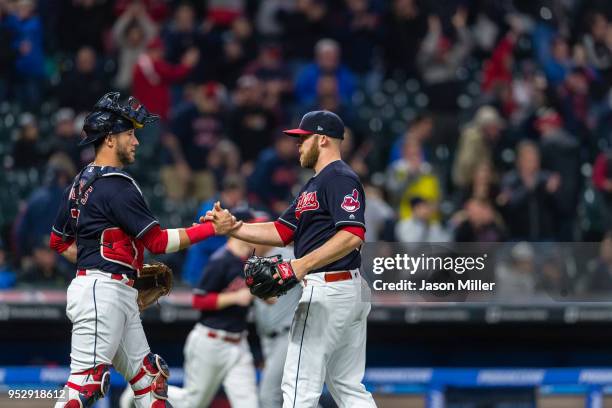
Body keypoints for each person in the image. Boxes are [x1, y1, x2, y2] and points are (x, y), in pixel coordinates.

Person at [49, 92, 238, 408]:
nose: (135, 141)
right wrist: (212, 229)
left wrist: (112, 264)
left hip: (109, 290)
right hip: (102, 292)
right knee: (84, 387)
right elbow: (158, 243)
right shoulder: (118, 186)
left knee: (151, 381)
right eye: (129, 134)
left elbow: (59, 241)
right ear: (109, 139)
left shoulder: (79, 182)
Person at [207, 110, 376, 407]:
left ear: (322, 140)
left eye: (303, 139)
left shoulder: (338, 177)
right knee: (347, 387)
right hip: (340, 288)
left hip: (329, 288)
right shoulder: (314, 184)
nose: (297, 145)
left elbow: (352, 235)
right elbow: (282, 230)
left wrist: (300, 265)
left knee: (299, 386)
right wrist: (235, 227)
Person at [253, 245, 302, 408]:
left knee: (269, 395)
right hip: (268, 340)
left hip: (287, 336)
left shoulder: (287, 256)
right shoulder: (255, 262)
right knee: (292, 397)